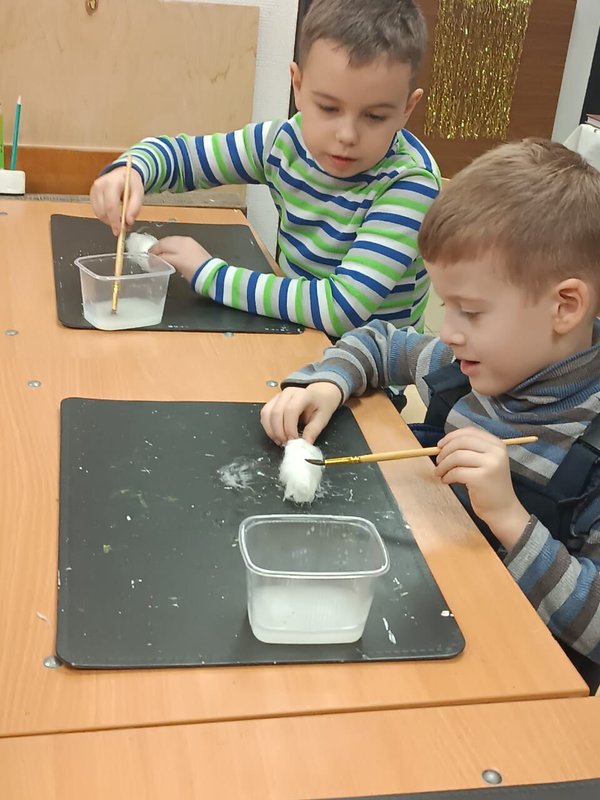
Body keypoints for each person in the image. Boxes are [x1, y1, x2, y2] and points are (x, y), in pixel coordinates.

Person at [260, 139, 600, 689]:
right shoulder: (473, 360)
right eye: (447, 306)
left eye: (471, 312)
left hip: (503, 679)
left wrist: (509, 518)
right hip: (413, 605)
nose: (449, 333)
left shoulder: (587, 445)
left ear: (565, 306)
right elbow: (380, 342)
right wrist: (328, 382)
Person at [89, 0, 440, 337]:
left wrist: (210, 275)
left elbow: (342, 308)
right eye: (329, 108)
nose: (347, 135)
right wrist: (131, 170)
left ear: (406, 109)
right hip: (298, 333)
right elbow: (185, 157)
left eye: (374, 116)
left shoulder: (410, 183)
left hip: (373, 365)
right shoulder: (281, 143)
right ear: (297, 86)